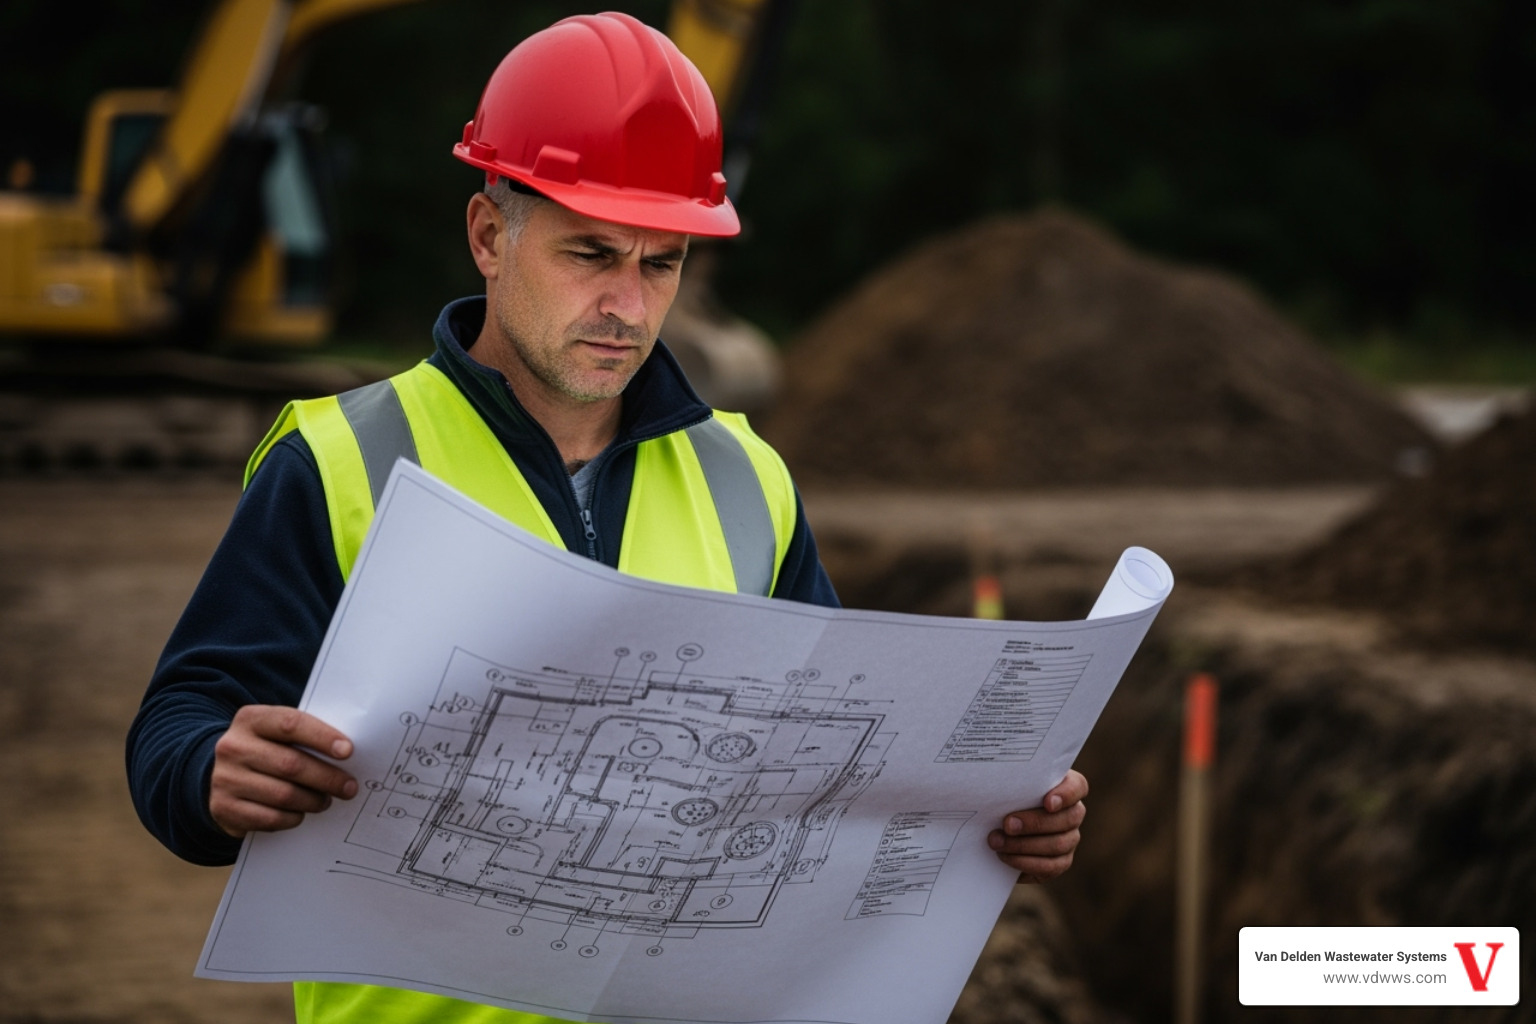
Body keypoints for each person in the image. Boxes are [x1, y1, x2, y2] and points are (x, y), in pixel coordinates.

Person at [126, 11, 1088, 1024]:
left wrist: (988, 820)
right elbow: (179, 725)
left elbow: (832, 780)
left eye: (660, 263)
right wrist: (209, 773)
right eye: (591, 254)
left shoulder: (747, 479)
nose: (628, 305)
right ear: (491, 235)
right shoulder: (341, 462)